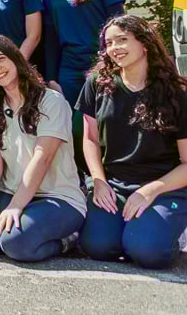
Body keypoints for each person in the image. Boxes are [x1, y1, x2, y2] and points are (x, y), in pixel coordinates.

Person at [0, 36, 85, 262]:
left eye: (0, 59)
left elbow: (43, 157)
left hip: (56, 196)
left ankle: (68, 240)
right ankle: (23, 228)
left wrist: (16, 207)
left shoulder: (51, 101)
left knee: (16, 243)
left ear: (16, 59)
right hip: (10, 191)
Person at [77, 15, 187, 269]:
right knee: (98, 247)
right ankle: (137, 229)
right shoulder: (97, 83)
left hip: (163, 186)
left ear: (145, 43)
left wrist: (150, 190)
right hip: (113, 185)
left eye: (123, 40)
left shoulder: (177, 93)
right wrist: (99, 181)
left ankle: (168, 230)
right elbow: (90, 139)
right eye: (109, 43)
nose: (115, 48)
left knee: (148, 252)